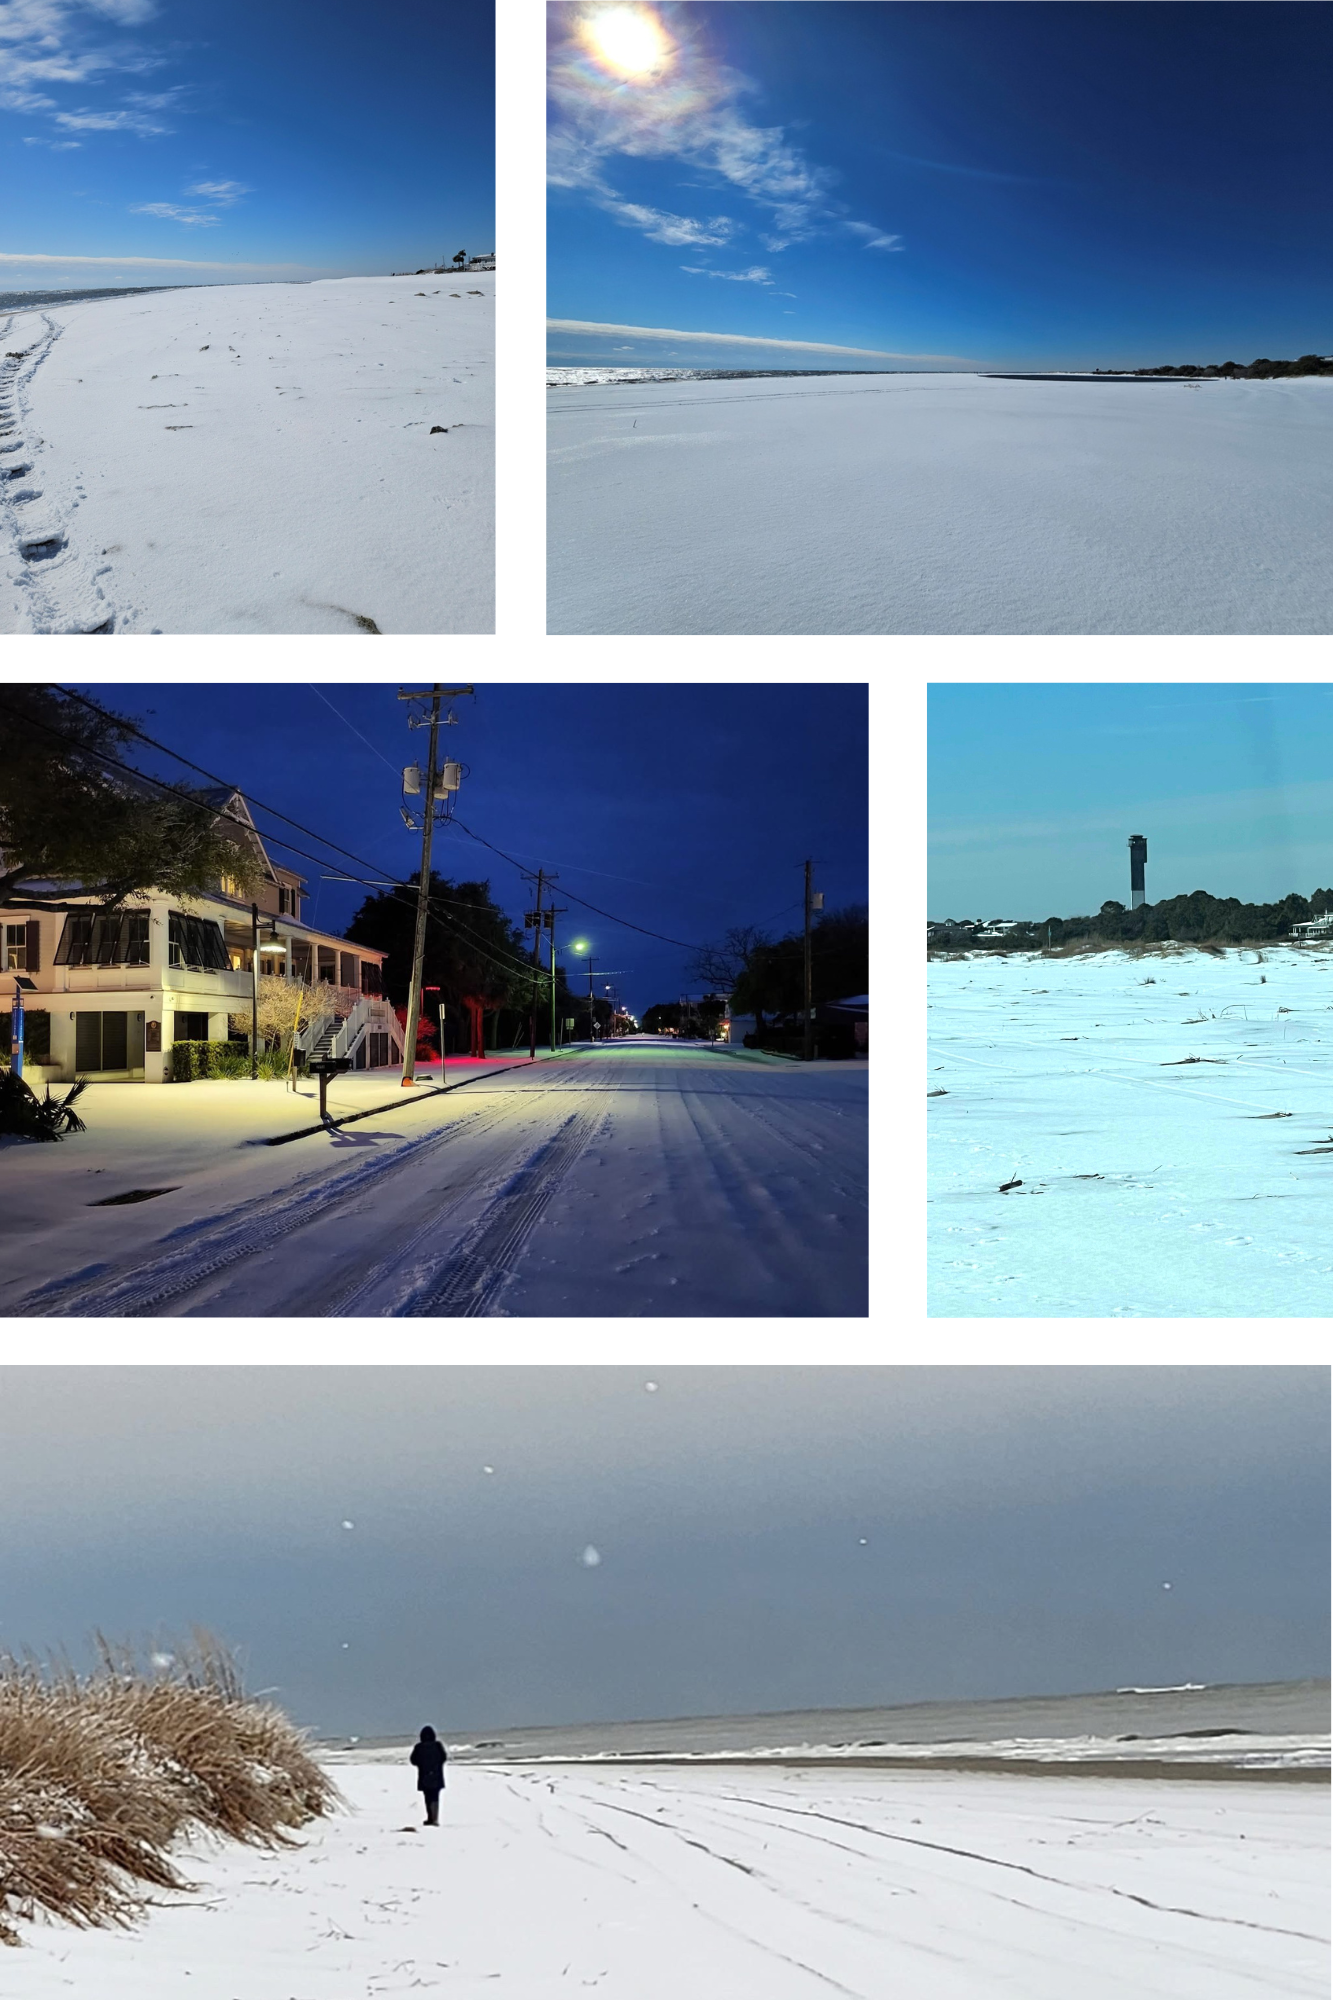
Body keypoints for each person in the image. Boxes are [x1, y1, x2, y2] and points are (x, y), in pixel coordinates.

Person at [410, 1725, 448, 1825]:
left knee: (427, 1797)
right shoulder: (438, 1745)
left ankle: (430, 1818)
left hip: (424, 1775)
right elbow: (443, 1758)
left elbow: (413, 1760)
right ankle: (435, 1818)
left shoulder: (418, 1747)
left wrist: (422, 1764)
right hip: (437, 1775)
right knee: (435, 1797)